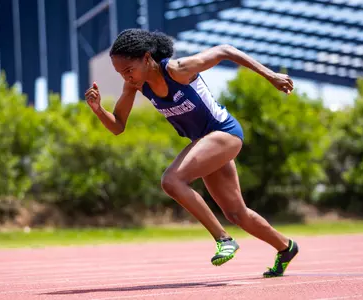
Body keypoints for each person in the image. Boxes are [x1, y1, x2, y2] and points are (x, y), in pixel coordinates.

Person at [85, 28, 298, 278]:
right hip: (205, 143)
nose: (126, 77)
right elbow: (118, 126)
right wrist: (98, 110)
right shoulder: (136, 85)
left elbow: (225, 50)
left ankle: (223, 239)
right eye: (121, 73)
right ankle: (286, 247)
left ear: (146, 58)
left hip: (224, 132)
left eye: (128, 70)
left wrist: (271, 75)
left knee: (172, 180)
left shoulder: (178, 69)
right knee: (236, 213)